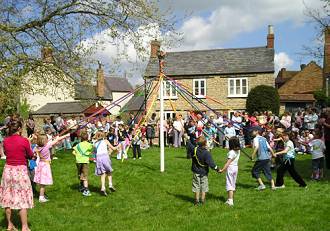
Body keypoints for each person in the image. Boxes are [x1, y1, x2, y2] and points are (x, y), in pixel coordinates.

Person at [0, 120, 34, 231]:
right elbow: (30, 155)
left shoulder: (5, 141)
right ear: (19, 129)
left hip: (8, 171)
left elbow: (8, 152)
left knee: (7, 197)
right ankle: (24, 227)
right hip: (20, 171)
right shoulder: (24, 141)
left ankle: (9, 225)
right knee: (22, 198)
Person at [34, 134, 69, 202]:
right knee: (43, 183)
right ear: (45, 141)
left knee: (42, 182)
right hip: (45, 166)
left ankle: (42, 195)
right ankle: (41, 197)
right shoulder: (47, 146)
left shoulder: (37, 147)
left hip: (40, 165)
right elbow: (56, 141)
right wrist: (65, 136)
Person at [186, 136, 220, 205]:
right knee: (204, 186)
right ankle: (203, 201)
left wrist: (187, 138)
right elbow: (211, 164)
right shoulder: (207, 153)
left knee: (196, 186)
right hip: (204, 172)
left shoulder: (194, 149)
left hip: (196, 172)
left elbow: (189, 145)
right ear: (205, 143)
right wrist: (218, 169)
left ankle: (196, 201)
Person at [94, 131, 117, 196]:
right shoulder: (106, 141)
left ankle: (103, 187)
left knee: (102, 173)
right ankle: (110, 185)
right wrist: (119, 145)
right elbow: (113, 148)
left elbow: (95, 152)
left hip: (98, 158)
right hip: (105, 157)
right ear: (103, 135)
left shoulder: (95, 143)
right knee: (109, 171)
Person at [219, 137, 240, 206]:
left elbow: (228, 163)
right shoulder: (238, 151)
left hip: (231, 168)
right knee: (233, 183)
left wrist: (222, 170)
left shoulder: (231, 152)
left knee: (229, 184)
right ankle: (230, 199)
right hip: (236, 167)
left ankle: (230, 201)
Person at [72, 131, 94, 196]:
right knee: (85, 175)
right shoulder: (89, 145)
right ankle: (86, 190)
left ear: (81, 138)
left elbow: (73, 152)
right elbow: (92, 150)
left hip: (78, 161)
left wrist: (78, 155)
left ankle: (81, 186)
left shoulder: (78, 145)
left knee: (80, 173)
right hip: (85, 162)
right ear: (87, 138)